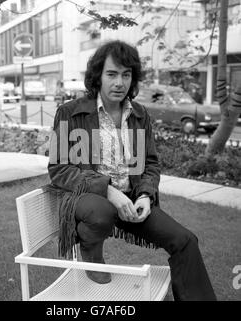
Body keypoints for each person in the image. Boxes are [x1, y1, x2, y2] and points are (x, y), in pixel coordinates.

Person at [48, 40, 216, 301]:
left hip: (131, 202)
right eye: (112, 74)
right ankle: (91, 246)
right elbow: (59, 169)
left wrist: (146, 196)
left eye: (126, 75)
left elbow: (150, 164)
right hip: (89, 201)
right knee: (102, 210)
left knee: (185, 241)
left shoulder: (139, 114)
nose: (119, 83)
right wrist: (109, 191)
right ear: (98, 76)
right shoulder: (70, 113)